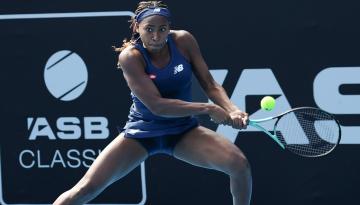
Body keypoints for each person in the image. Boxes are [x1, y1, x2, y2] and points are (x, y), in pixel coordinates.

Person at [53, 1, 252, 205]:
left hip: (183, 132)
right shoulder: (130, 57)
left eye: (162, 29)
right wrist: (208, 108)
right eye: (149, 29)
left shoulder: (184, 41)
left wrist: (233, 109)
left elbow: (209, 84)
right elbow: (158, 106)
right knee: (85, 189)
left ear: (169, 27)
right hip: (142, 134)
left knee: (239, 165)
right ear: (136, 27)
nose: (156, 36)